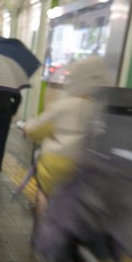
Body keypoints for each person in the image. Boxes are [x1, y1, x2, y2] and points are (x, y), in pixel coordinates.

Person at [23, 57, 111, 220]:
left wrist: (28, 128)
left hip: (55, 164)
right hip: (85, 166)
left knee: (43, 190)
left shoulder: (63, 106)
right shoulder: (99, 110)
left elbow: (36, 129)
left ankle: (42, 219)